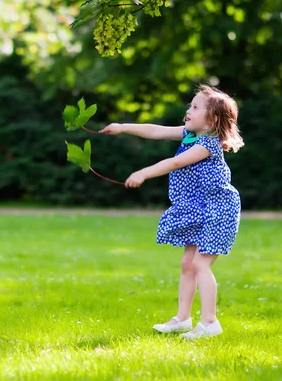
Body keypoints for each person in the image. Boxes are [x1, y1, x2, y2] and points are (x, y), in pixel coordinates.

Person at [99, 84, 244, 340]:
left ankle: (210, 322)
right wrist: (122, 127)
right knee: (188, 263)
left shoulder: (207, 144)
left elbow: (176, 162)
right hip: (199, 208)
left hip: (218, 208)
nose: (188, 110)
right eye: (191, 105)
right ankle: (182, 319)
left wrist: (143, 172)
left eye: (196, 107)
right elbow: (155, 131)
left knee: (200, 263)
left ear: (212, 120)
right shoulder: (190, 135)